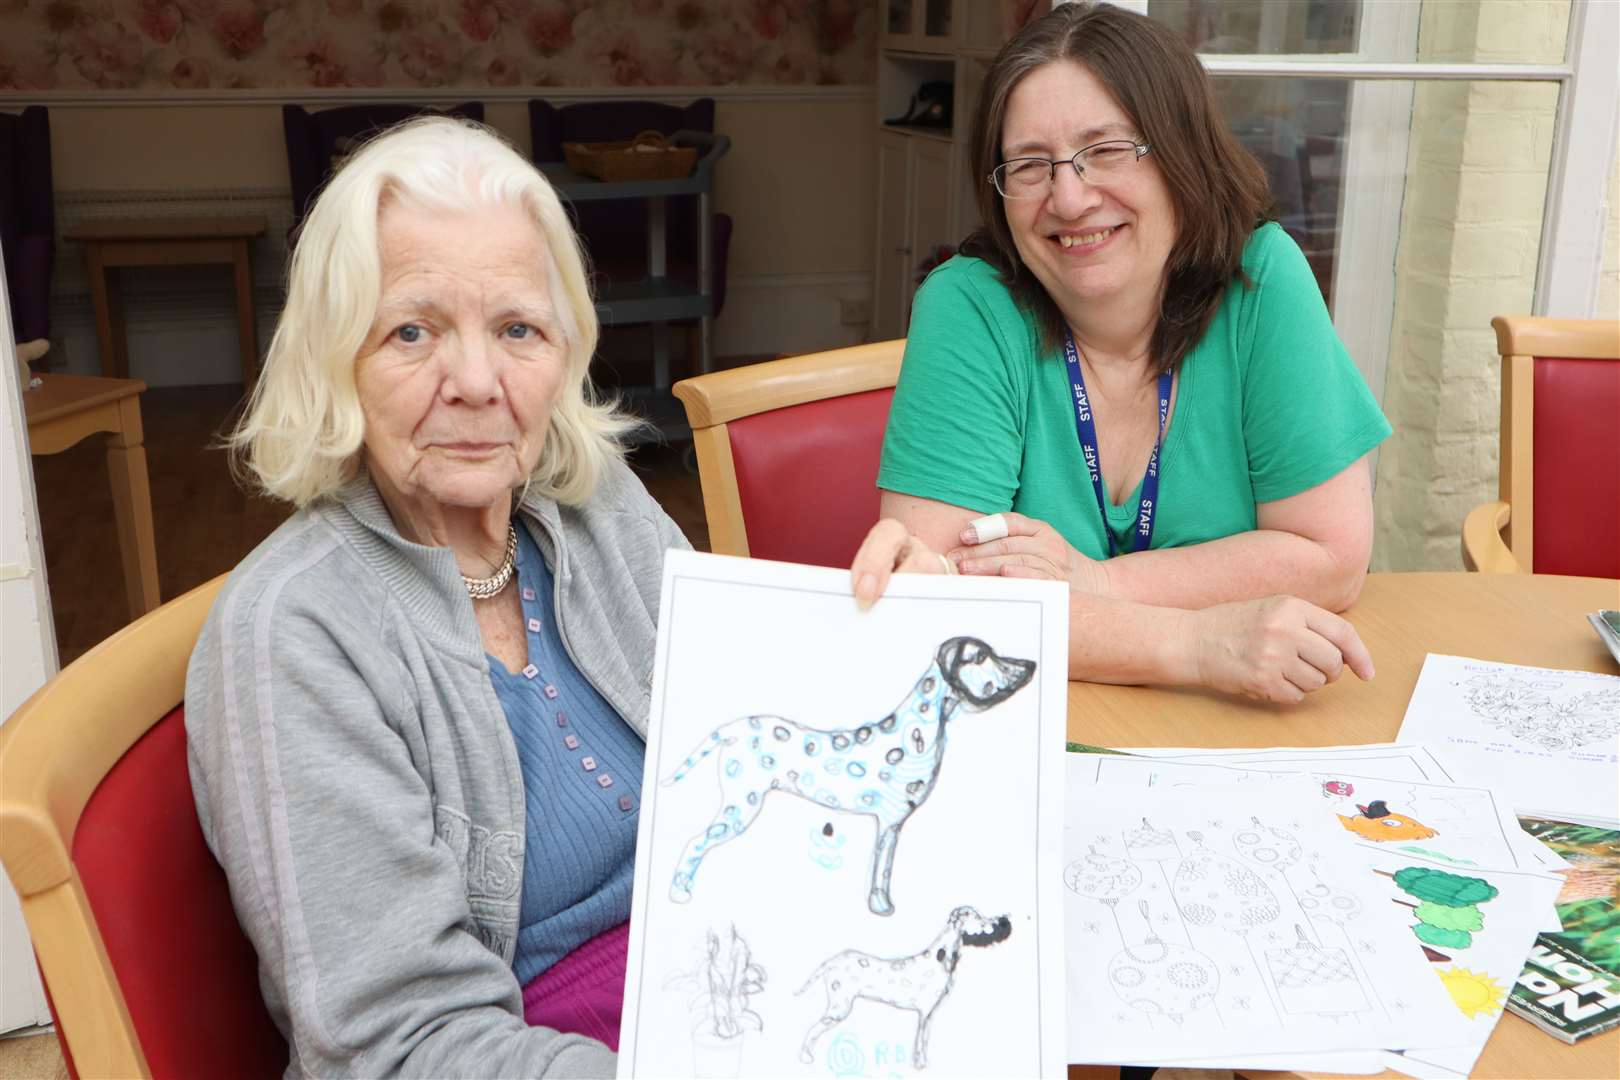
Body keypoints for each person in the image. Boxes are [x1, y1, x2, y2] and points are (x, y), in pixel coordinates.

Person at [186, 117, 687, 1077]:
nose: (475, 382)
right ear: (337, 358)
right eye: (413, 330)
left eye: (517, 329)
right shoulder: (294, 631)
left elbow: (749, 732)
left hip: (729, 975)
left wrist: (887, 632)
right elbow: (395, 1041)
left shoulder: (603, 506)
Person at [853, 2, 1390, 706]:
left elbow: (1331, 557)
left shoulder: (1262, 277)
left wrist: (1098, 583)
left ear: (1180, 154)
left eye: (1106, 150)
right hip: (1029, 723)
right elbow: (953, 604)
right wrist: (1198, 644)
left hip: (1240, 727)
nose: (1069, 198)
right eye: (1029, 165)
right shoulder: (969, 305)